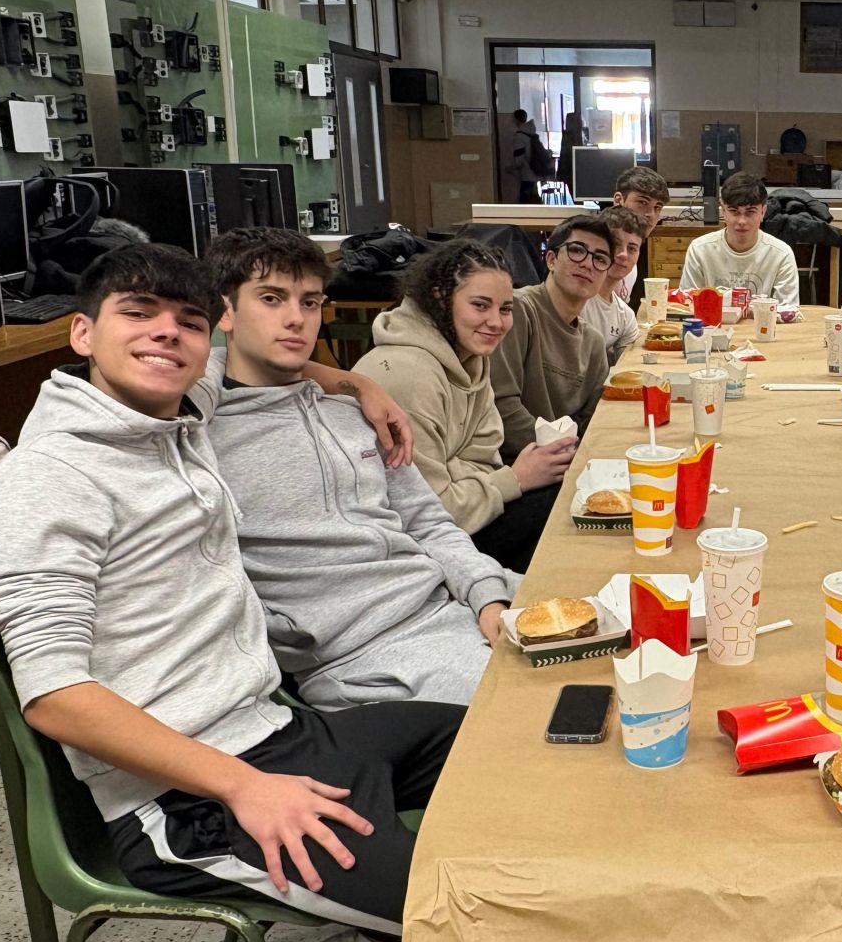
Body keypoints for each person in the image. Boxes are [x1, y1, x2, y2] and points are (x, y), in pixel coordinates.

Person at [0, 245, 463, 942]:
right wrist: (245, 788)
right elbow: (53, 696)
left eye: (189, 321)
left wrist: (356, 386)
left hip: (276, 727)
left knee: (490, 739)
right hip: (189, 801)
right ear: (80, 332)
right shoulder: (47, 476)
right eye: (138, 314)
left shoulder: (176, 419)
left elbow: (282, 363)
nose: (167, 334)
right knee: (462, 911)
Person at [205, 228, 518, 708]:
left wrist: (485, 593)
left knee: (639, 620)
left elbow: (427, 521)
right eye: (271, 299)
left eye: (310, 303)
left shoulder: (354, 413)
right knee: (550, 713)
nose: (295, 319)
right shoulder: (199, 433)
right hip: (369, 654)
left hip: (448, 599)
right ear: (225, 310)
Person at [353, 239, 575, 573]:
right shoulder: (410, 374)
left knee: (568, 491)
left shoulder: (470, 356)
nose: (497, 322)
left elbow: (485, 455)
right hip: (410, 545)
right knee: (558, 510)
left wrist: (479, 475)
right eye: (480, 305)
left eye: (504, 309)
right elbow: (427, 509)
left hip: (460, 511)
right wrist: (515, 479)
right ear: (441, 299)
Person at [489, 213, 612, 459]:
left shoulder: (594, 343)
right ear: (552, 259)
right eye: (577, 250)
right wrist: (563, 456)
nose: (588, 264)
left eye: (600, 259)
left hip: (564, 459)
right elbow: (500, 405)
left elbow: (590, 421)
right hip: (515, 462)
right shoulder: (517, 311)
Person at [679, 172, 800, 307]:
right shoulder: (700, 249)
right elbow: (687, 305)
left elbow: (787, 310)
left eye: (750, 212)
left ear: (763, 212)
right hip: (711, 326)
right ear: (723, 211)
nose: (742, 221)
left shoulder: (782, 254)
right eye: (734, 211)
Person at [584, 204, 645, 364]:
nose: (623, 254)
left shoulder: (625, 316)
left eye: (632, 248)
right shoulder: (576, 300)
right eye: (616, 244)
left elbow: (626, 371)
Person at [608, 165, 671, 301]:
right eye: (642, 202)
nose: (650, 214)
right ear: (619, 200)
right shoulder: (596, 249)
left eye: (657, 208)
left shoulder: (632, 256)